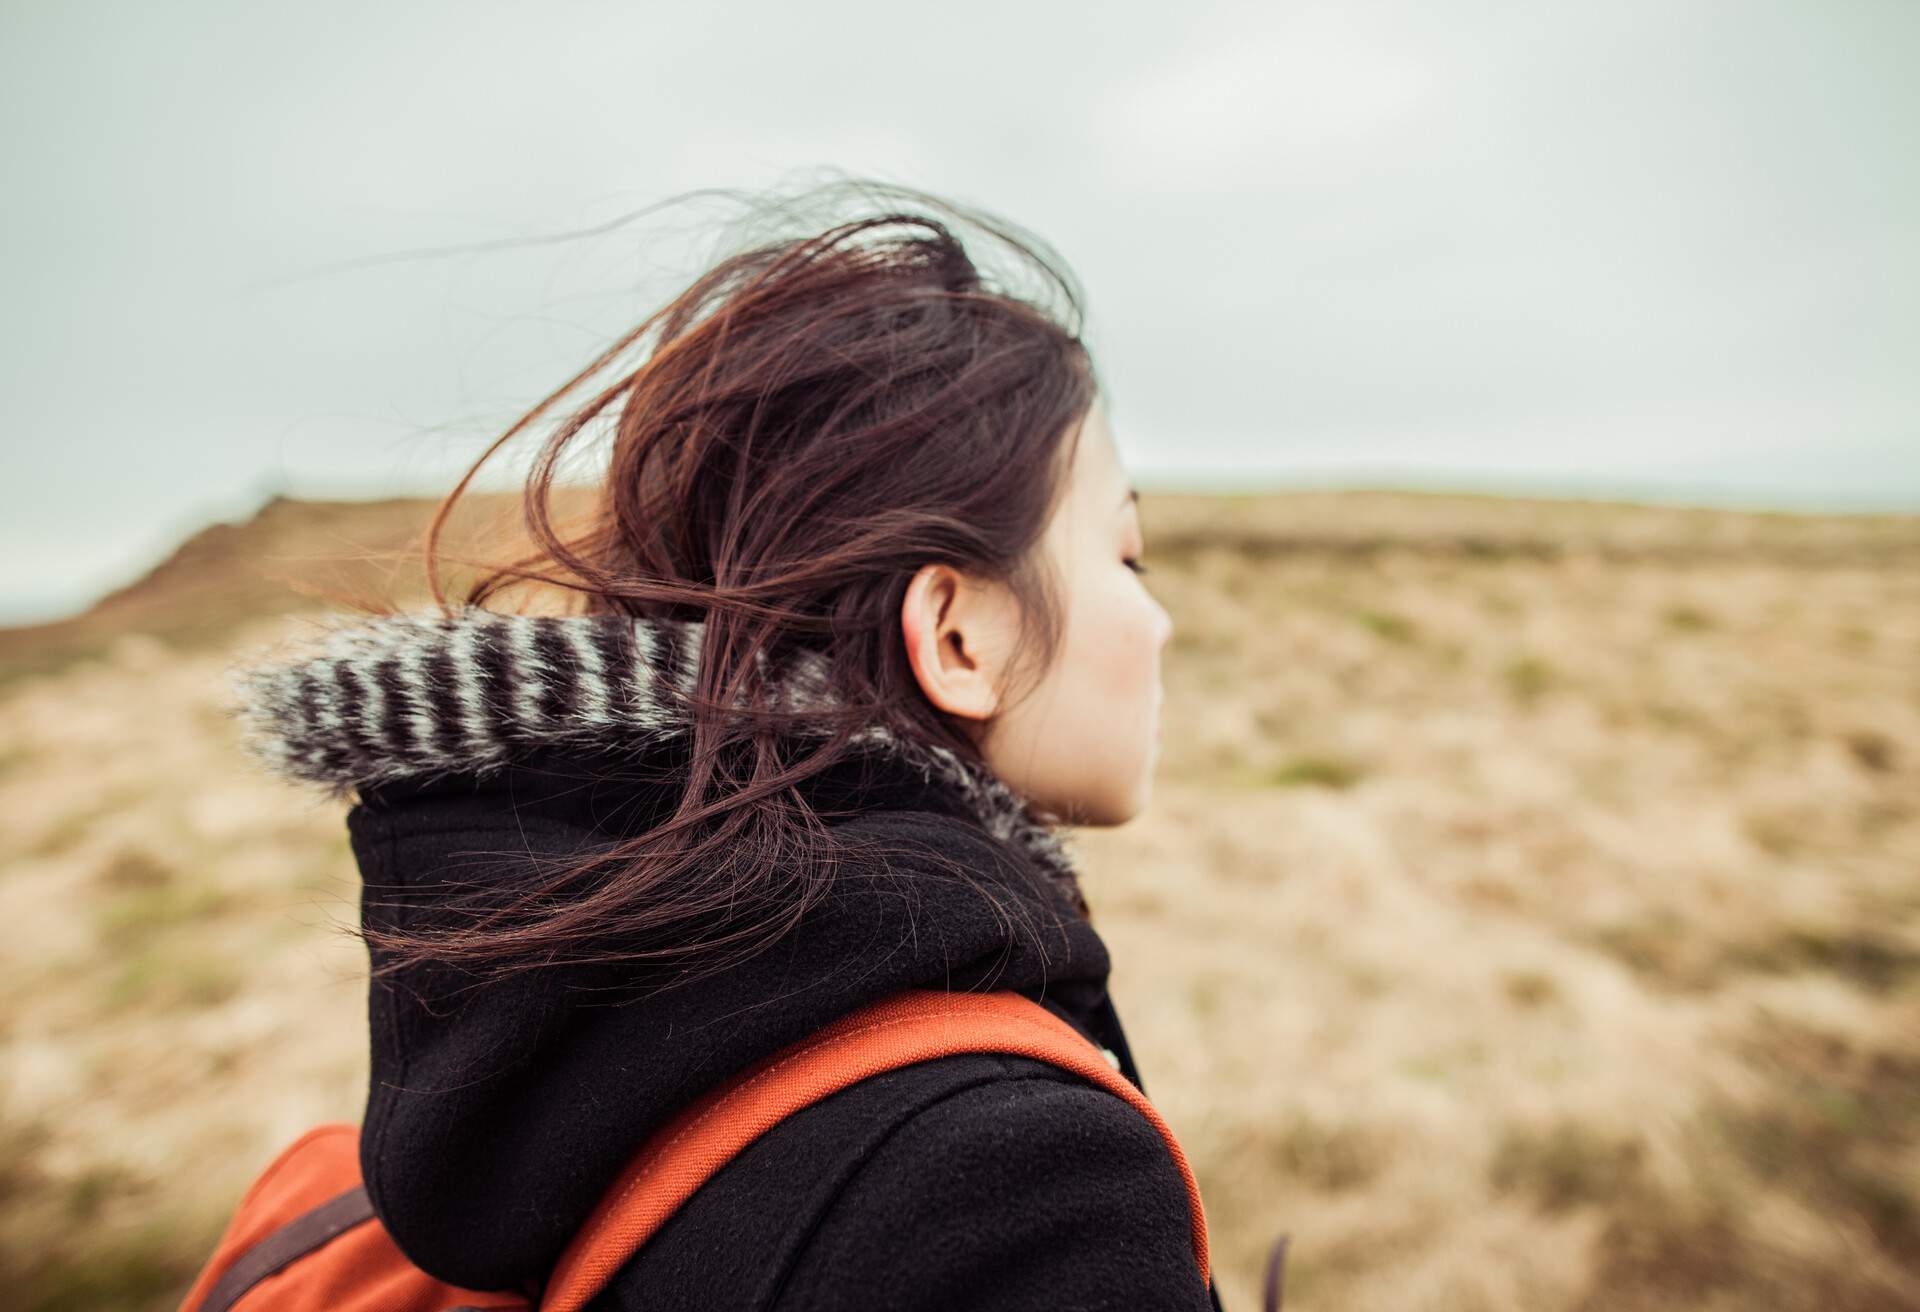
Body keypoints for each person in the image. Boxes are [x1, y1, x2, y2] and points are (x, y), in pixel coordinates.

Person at [228, 177, 1221, 1311]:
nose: (1159, 620)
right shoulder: (1029, 1190)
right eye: (1127, 557)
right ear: (956, 633)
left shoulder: (578, 1072)